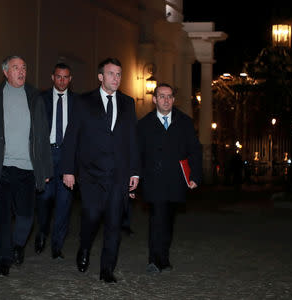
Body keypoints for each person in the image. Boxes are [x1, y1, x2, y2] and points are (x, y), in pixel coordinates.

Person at [0, 55, 53, 276]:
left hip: (28, 169)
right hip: (0, 168)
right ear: (6, 72)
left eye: (24, 67)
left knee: (25, 217)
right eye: (16, 68)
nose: (21, 71)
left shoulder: (35, 98)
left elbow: (42, 136)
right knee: (1, 217)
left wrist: (46, 169)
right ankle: (3, 260)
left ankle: (16, 246)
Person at [61, 58, 139, 283]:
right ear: (100, 77)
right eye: (111, 74)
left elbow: (132, 139)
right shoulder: (84, 102)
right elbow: (71, 137)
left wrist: (134, 172)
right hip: (91, 174)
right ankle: (84, 246)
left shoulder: (128, 102)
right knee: (92, 216)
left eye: (119, 74)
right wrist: (68, 170)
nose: (116, 78)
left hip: (119, 174)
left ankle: (107, 270)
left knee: (114, 222)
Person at [137, 83, 202, 273]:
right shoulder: (144, 124)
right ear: (154, 99)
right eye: (162, 96)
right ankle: (154, 260)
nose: (166, 100)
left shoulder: (185, 122)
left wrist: (195, 176)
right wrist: (134, 179)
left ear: (174, 99)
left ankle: (163, 257)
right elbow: (137, 154)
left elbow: (195, 151)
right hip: (153, 179)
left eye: (169, 96)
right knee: (157, 218)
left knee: (168, 220)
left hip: (175, 180)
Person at [34, 63, 78, 260]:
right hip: (47, 155)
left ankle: (57, 246)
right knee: (44, 198)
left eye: (66, 77)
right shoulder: (40, 99)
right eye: (58, 77)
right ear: (52, 77)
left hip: (68, 156)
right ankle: (42, 231)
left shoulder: (78, 102)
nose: (62, 80)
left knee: (64, 203)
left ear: (70, 79)